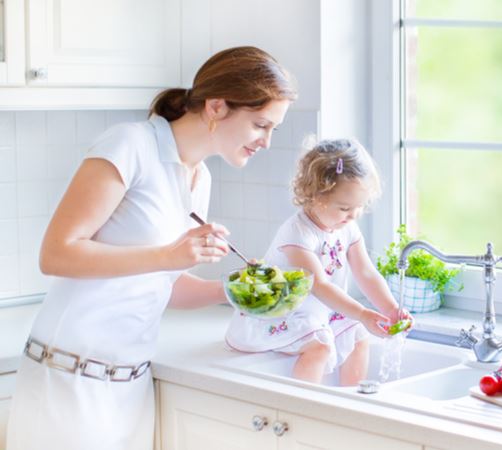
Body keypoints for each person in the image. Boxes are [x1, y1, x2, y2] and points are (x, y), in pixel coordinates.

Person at [6, 46, 297, 450]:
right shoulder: (130, 145)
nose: (265, 141)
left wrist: (240, 291)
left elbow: (167, 283)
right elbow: (56, 253)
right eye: (259, 125)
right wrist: (169, 256)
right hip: (67, 383)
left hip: (130, 387)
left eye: (272, 130)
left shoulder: (200, 178)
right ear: (216, 107)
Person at [225, 138, 413, 385]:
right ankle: (306, 409)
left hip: (318, 314)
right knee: (320, 346)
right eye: (345, 207)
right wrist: (362, 313)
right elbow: (320, 285)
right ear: (314, 196)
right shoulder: (297, 234)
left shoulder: (348, 228)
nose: (353, 215)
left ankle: (349, 406)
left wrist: (390, 308)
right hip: (283, 317)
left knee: (358, 335)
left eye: (360, 206)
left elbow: (366, 273)